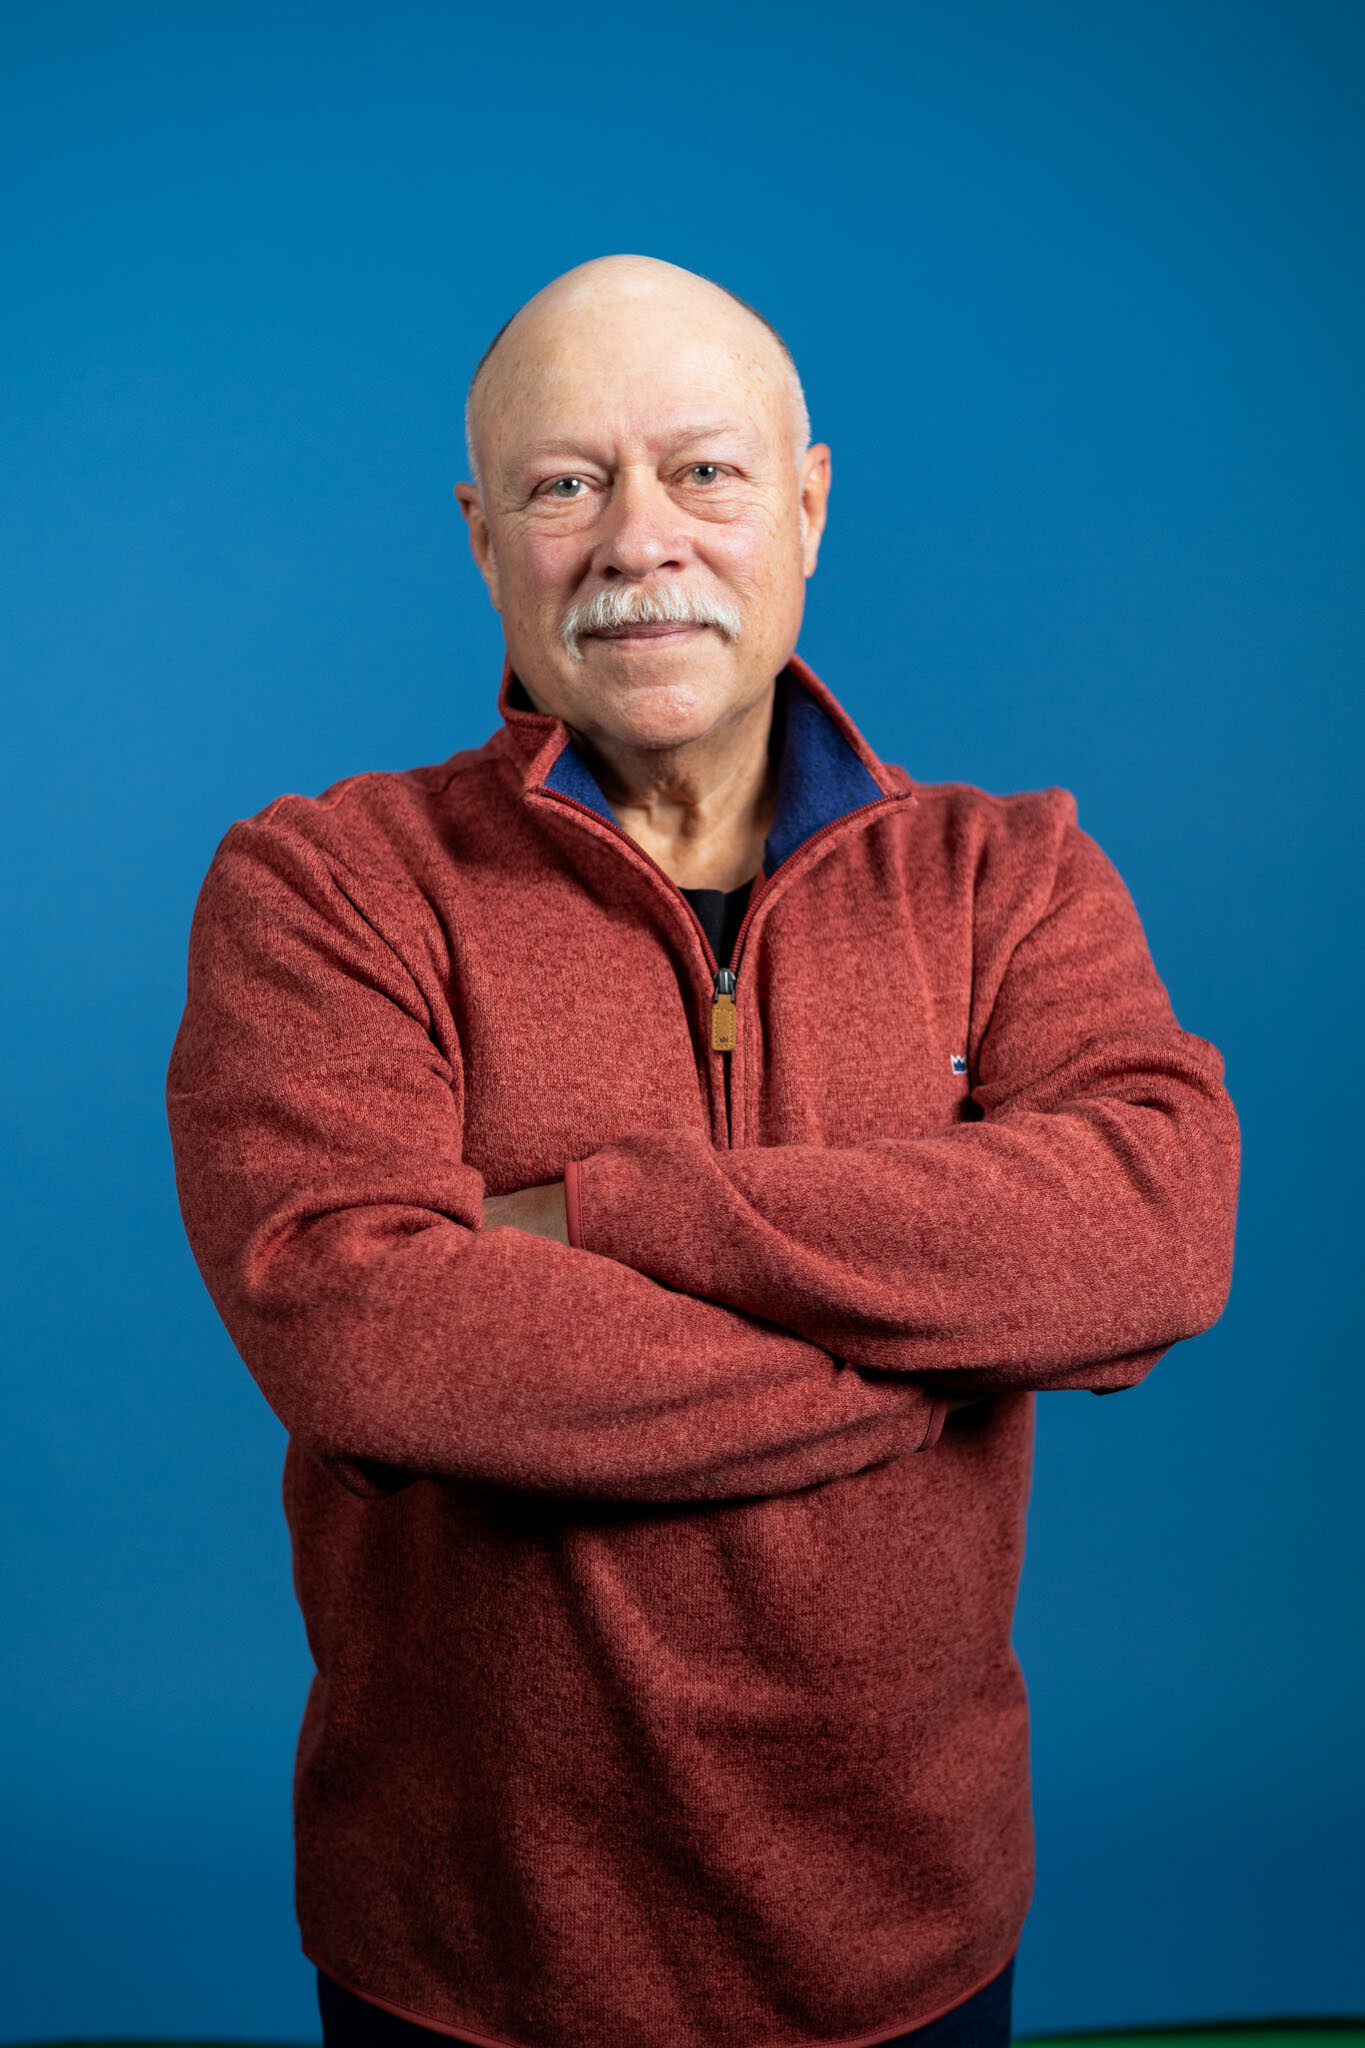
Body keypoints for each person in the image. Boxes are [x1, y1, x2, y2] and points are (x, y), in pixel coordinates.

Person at [165, 254, 1241, 2048]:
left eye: (704, 471)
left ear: (806, 507)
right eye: (563, 484)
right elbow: (360, 1333)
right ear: (483, 537)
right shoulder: (327, 887)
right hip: (471, 1944)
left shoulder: (1010, 875)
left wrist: (600, 1214)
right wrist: (925, 1360)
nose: (636, 540)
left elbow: (1155, 1226)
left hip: (905, 1925)